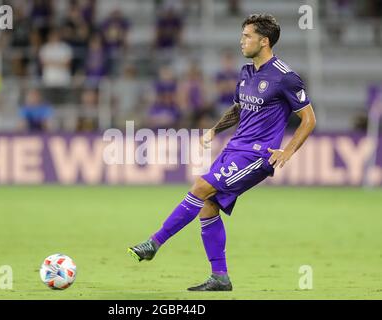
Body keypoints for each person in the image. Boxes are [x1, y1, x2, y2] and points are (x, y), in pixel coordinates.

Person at [128, 14, 317, 291]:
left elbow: (309, 119)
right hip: (234, 148)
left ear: (264, 41)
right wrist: (215, 130)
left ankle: (154, 242)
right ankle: (220, 277)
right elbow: (239, 108)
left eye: (247, 36)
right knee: (208, 204)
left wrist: (287, 152)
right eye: (242, 35)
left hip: (257, 155)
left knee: (201, 186)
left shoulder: (285, 77)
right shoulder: (246, 72)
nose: (242, 41)